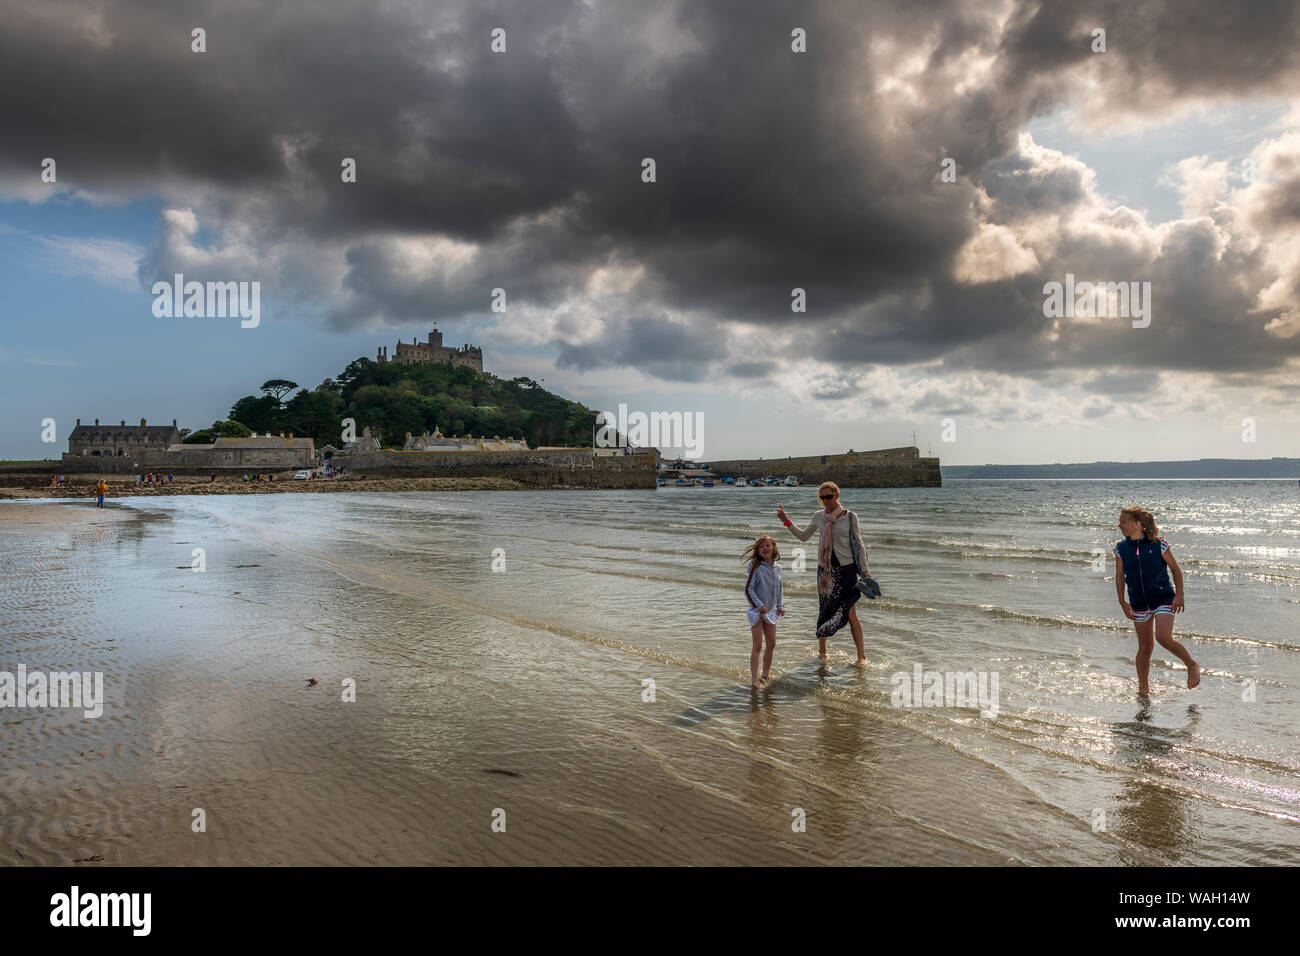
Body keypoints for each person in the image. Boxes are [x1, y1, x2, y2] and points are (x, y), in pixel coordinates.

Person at [777, 482, 870, 664]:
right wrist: (786, 521)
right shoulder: (819, 516)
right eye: (822, 497)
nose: (826, 500)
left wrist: (865, 570)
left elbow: (859, 545)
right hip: (825, 572)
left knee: (851, 612)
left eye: (829, 496)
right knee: (824, 610)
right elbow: (804, 537)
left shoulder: (851, 517)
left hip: (847, 569)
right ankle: (823, 652)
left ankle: (861, 656)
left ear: (837, 495)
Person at [1114, 506, 1199, 695]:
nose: (1119, 525)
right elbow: (1120, 577)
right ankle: (1143, 688)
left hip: (1163, 598)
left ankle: (1191, 664)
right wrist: (1122, 601)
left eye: (1123, 521)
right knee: (1144, 648)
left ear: (1138, 523)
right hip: (1138, 602)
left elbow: (1176, 570)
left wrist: (1180, 595)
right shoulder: (1120, 549)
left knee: (1163, 637)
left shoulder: (1159, 545)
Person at [742, 535, 784, 688]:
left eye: (768, 545)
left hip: (771, 612)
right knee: (758, 645)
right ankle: (755, 680)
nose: (765, 548)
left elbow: (780, 589)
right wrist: (759, 606)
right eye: (761, 547)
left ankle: (766, 674)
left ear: (773, 548)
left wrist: (780, 605)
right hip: (756, 612)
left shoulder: (778, 568)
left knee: (772, 644)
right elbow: (748, 589)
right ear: (758, 551)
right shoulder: (755, 567)